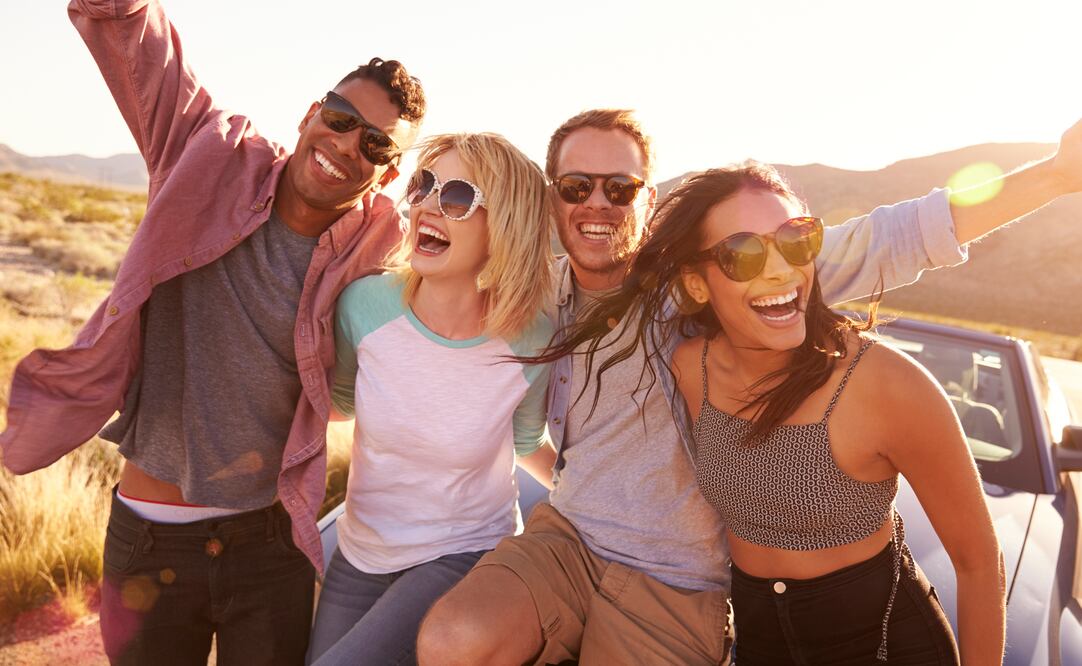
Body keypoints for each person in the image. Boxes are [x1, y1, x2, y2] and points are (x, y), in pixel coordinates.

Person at [417, 109, 1082, 665]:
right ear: (552, 197)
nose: (597, 203)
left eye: (619, 188)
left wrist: (1052, 176)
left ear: (646, 199)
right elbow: (442, 269)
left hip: (684, 581)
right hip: (578, 543)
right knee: (450, 638)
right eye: (576, 186)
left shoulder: (694, 291)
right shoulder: (540, 295)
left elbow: (894, 238)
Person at [0, 1, 424, 663]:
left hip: (271, 548)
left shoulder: (379, 246)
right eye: (341, 120)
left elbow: (479, 270)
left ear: (388, 173)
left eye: (375, 144)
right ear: (311, 114)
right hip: (150, 541)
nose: (347, 146)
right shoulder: (207, 153)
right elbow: (136, 41)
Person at [552, 162, 1004, 663]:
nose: (780, 270)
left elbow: (979, 561)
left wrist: (1054, 176)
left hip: (883, 647)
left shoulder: (886, 385)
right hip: (759, 643)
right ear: (697, 286)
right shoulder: (689, 369)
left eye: (796, 240)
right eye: (742, 253)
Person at [305, 133, 558, 665]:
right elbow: (336, 405)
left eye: (458, 196)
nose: (426, 206)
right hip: (361, 550)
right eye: (423, 186)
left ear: (503, 225)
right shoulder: (364, 306)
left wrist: (598, 513)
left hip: (464, 550)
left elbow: (526, 442)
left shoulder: (530, 340)